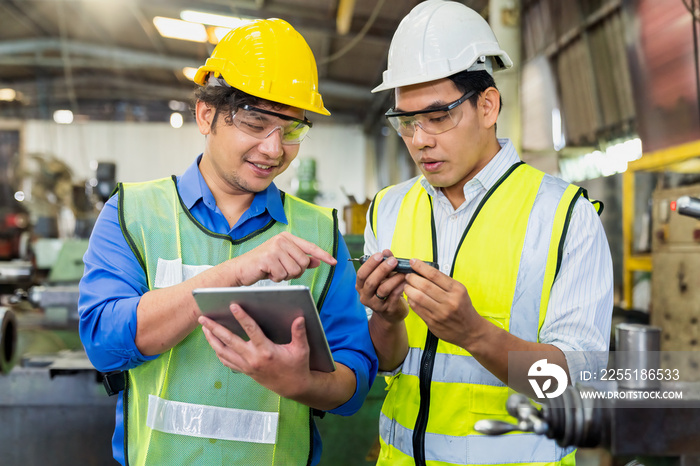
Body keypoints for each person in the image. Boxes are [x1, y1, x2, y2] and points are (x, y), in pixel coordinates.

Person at [78, 18, 377, 466]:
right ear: (205, 114)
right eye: (256, 123)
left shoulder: (318, 232)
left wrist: (302, 384)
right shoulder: (133, 214)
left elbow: (356, 378)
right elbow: (104, 342)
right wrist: (235, 273)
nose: (274, 150)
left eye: (291, 130)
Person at [356, 1, 614, 465]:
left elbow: (575, 384)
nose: (420, 140)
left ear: (488, 105)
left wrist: (477, 335)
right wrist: (388, 320)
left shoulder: (564, 217)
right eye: (406, 121)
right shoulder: (388, 209)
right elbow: (390, 364)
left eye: (437, 117)